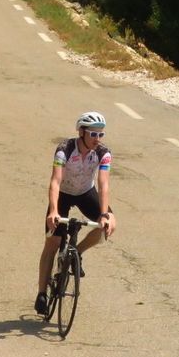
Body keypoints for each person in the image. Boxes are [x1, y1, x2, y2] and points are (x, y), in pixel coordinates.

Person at [35, 111, 117, 316]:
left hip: (85, 193)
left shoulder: (103, 153)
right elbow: (55, 181)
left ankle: (77, 253)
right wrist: (53, 210)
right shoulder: (64, 149)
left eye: (101, 134)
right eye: (93, 134)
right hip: (63, 194)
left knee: (107, 224)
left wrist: (104, 214)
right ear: (81, 132)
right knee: (53, 242)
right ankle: (42, 293)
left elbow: (103, 184)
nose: (97, 139)